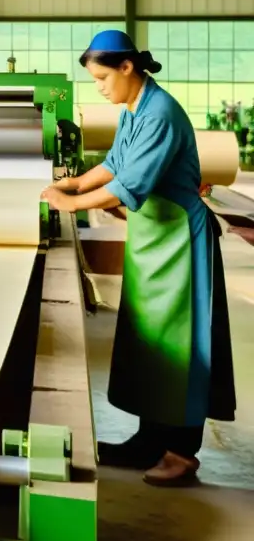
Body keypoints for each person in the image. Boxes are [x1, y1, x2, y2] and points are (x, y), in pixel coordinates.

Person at [41, 30, 236, 487]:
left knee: (183, 351)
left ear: (128, 68)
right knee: (151, 346)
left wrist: (70, 204)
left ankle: (181, 454)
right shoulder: (134, 108)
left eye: (103, 78)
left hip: (181, 245)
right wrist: (75, 185)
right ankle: (149, 440)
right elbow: (113, 164)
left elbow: (130, 186)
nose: (100, 88)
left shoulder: (161, 114)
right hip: (153, 242)